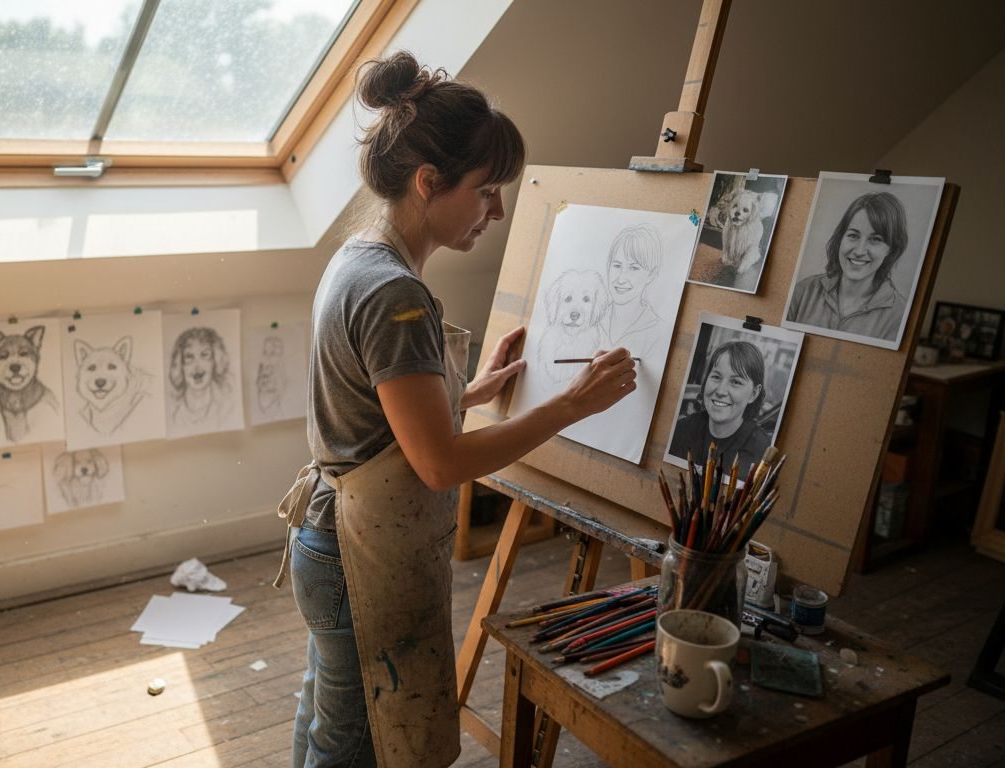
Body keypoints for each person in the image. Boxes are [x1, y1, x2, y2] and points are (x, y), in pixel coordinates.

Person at [273, 52, 637, 768]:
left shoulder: (359, 257)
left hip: (328, 537)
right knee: (351, 746)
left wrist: (468, 390)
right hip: (355, 555)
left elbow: (376, 410)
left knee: (327, 721)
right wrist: (570, 404)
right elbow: (438, 464)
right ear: (427, 183)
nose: (496, 211)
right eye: (486, 191)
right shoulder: (395, 294)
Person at [785, 191, 910, 341]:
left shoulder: (900, 316)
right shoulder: (803, 291)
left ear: (891, 249)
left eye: (875, 239)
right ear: (840, 238)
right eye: (853, 235)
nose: (859, 251)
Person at [668, 340, 770, 471]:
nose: (721, 391)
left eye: (735, 382)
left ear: (753, 394)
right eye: (716, 377)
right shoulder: (681, 430)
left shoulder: (760, 449)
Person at [604, 224, 666, 359]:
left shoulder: (658, 331)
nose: (621, 279)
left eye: (634, 268)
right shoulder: (591, 318)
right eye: (617, 265)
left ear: (651, 275)